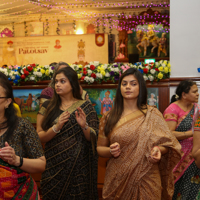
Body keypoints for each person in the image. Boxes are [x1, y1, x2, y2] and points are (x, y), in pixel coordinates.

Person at [97, 68, 181, 200]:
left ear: (140, 87)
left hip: (147, 177)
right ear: (119, 88)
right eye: (124, 84)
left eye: (133, 83)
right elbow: (100, 148)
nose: (128, 87)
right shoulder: (109, 117)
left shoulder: (153, 114)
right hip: (118, 178)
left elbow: (168, 144)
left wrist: (159, 150)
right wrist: (110, 151)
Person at [37, 67, 99, 200]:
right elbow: (39, 136)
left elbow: (94, 137)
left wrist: (84, 126)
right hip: (53, 168)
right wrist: (56, 127)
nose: (57, 85)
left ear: (72, 84)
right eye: (56, 81)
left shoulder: (85, 106)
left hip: (79, 169)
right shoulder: (47, 106)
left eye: (62, 81)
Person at [0, 76, 46, 199]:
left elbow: (41, 164)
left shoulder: (22, 126)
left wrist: (16, 160)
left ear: (8, 102)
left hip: (20, 193)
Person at [163, 80, 200, 200]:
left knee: (192, 191)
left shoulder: (197, 108)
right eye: (194, 92)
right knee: (176, 191)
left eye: (197, 91)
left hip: (194, 157)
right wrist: (192, 133)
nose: (197, 94)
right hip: (177, 157)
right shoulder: (172, 109)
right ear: (184, 94)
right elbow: (169, 134)